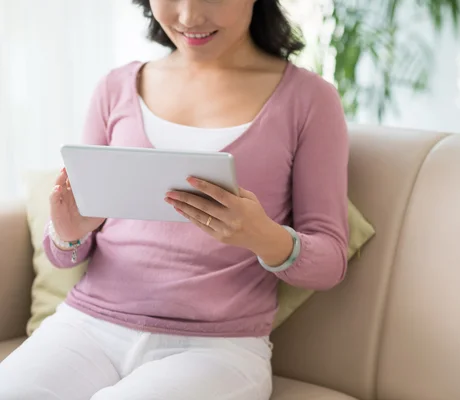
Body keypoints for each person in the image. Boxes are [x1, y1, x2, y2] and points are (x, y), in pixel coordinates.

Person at [0, 0, 349, 399]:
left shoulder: (309, 99)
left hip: (217, 348)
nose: (188, 18)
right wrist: (68, 235)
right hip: (86, 326)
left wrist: (262, 236)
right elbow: (65, 254)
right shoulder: (115, 88)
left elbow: (330, 263)